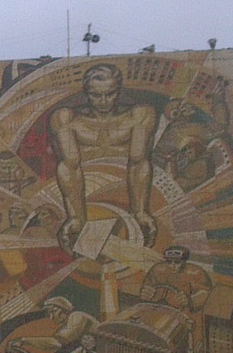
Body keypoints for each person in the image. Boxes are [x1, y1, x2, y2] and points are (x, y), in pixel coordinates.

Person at [50, 63, 161, 255]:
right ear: (86, 93)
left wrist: (141, 211)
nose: (103, 101)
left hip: (129, 196)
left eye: (110, 94)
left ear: (118, 91)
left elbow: (139, 163)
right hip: (85, 202)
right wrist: (75, 217)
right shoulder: (65, 119)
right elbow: (69, 167)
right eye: (95, 95)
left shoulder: (140, 115)